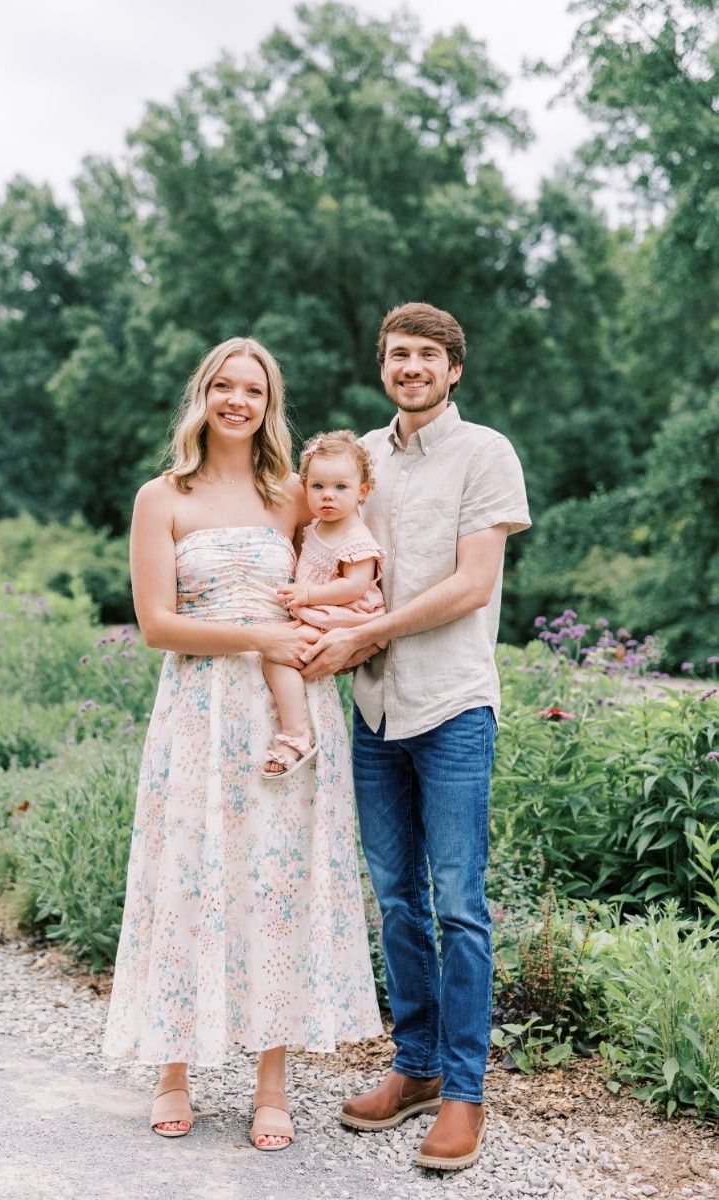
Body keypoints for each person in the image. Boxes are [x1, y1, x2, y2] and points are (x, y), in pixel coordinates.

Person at [102, 337, 383, 1152]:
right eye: (223, 385)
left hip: (282, 711)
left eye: (252, 390)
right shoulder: (163, 498)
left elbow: (359, 567)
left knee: (275, 882)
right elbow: (158, 625)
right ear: (203, 395)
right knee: (190, 876)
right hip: (198, 709)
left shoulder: (293, 495)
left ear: (269, 405)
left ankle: (271, 1084)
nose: (237, 400)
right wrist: (259, 632)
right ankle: (173, 1070)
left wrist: (341, 638)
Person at [300, 302, 529, 1171]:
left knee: (460, 905)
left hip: (453, 705)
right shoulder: (359, 457)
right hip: (374, 710)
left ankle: (465, 1094)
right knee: (396, 899)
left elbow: (473, 585)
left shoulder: (486, 454)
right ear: (384, 365)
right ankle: (418, 1068)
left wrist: (363, 632)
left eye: (427, 356)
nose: (411, 367)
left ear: (453, 369)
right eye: (398, 355)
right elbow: (318, 553)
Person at [259, 430, 386, 778]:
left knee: (277, 655)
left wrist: (309, 595)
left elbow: (356, 585)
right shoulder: (315, 526)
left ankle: (296, 734)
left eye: (340, 488)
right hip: (321, 613)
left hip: (346, 617)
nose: (327, 496)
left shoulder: (355, 537)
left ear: (363, 491)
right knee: (278, 653)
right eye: (317, 487)